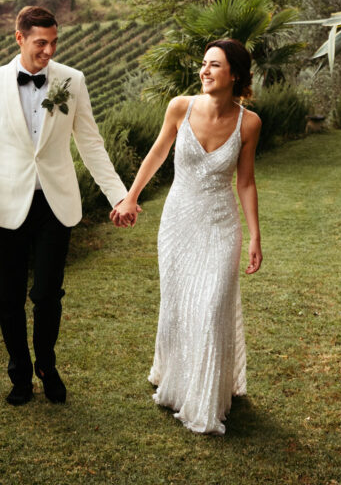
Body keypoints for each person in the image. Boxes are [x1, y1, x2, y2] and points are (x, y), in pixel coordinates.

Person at [0, 5, 130, 406]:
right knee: (7, 295)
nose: (49, 50)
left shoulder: (73, 80)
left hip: (56, 204)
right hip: (5, 204)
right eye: (41, 42)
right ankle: (19, 372)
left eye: (54, 42)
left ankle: (46, 366)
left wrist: (119, 195)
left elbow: (91, 143)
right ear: (19, 38)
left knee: (48, 294)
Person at [111, 39, 262, 435]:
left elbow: (245, 182)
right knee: (180, 306)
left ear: (235, 75)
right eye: (204, 64)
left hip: (220, 225)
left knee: (212, 308)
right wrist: (130, 197)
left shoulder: (249, 123)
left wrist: (254, 236)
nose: (205, 71)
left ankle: (208, 396)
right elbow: (157, 153)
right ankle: (175, 378)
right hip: (179, 222)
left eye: (215, 65)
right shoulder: (181, 106)